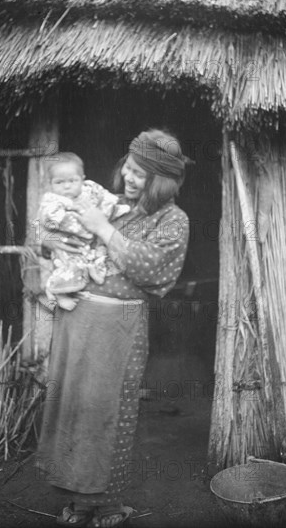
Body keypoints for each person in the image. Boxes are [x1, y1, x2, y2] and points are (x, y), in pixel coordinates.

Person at [35, 129, 192, 527]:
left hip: (119, 327)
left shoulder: (173, 220)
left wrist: (103, 229)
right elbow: (58, 229)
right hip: (77, 317)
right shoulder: (113, 203)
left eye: (141, 173)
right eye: (129, 167)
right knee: (75, 410)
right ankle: (78, 500)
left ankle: (107, 504)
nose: (130, 177)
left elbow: (153, 270)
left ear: (163, 180)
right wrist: (51, 242)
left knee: (110, 415)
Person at [37, 152, 130, 311]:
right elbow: (49, 221)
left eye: (73, 181)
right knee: (68, 266)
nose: (67, 186)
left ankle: (94, 269)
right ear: (50, 184)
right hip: (69, 242)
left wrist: (112, 208)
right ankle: (59, 292)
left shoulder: (89, 190)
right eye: (59, 182)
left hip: (89, 243)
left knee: (99, 252)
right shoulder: (52, 201)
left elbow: (104, 198)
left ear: (82, 178)